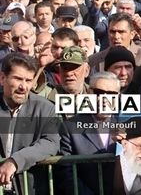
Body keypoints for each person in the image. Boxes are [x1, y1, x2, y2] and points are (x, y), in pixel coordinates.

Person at [0, 53, 60, 194]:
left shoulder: (45, 108)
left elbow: (51, 142)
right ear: (2, 78)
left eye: (28, 80)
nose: (23, 86)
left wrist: (16, 161)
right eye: (18, 79)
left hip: (30, 189)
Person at [59, 72, 121, 195]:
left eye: (111, 94)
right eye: (98, 92)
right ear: (89, 93)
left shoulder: (128, 124)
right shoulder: (69, 127)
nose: (103, 98)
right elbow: (67, 174)